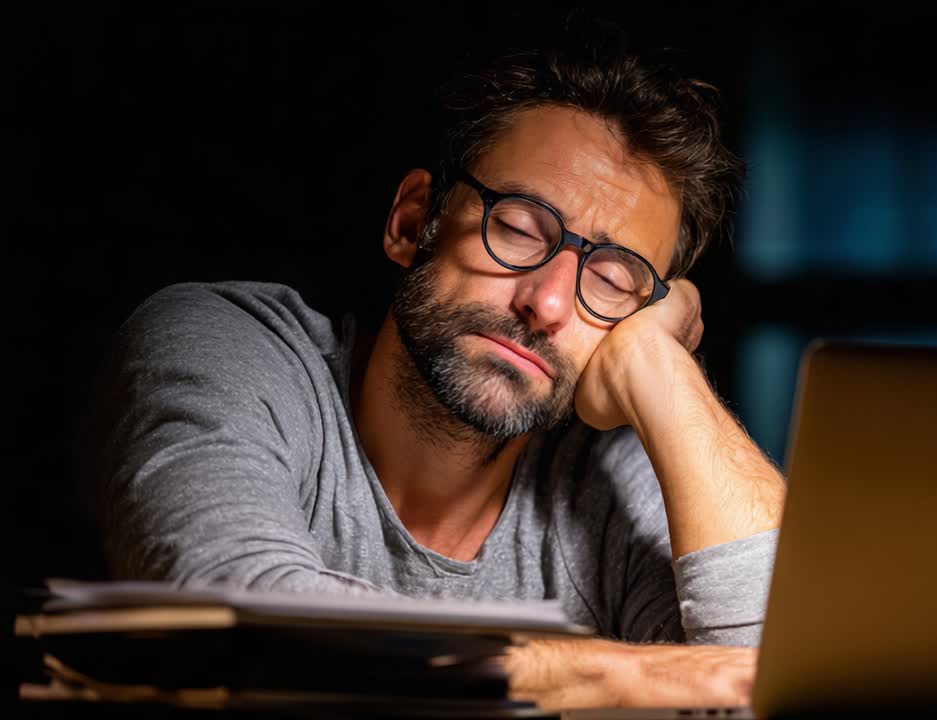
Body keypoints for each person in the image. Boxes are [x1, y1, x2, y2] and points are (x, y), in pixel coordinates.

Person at [87, 18, 786, 710]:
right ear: (412, 220)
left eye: (610, 279)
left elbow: (787, 673)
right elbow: (239, 626)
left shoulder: (604, 482)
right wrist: (640, 676)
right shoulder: (228, 349)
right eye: (516, 225)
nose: (545, 302)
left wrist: (657, 366)